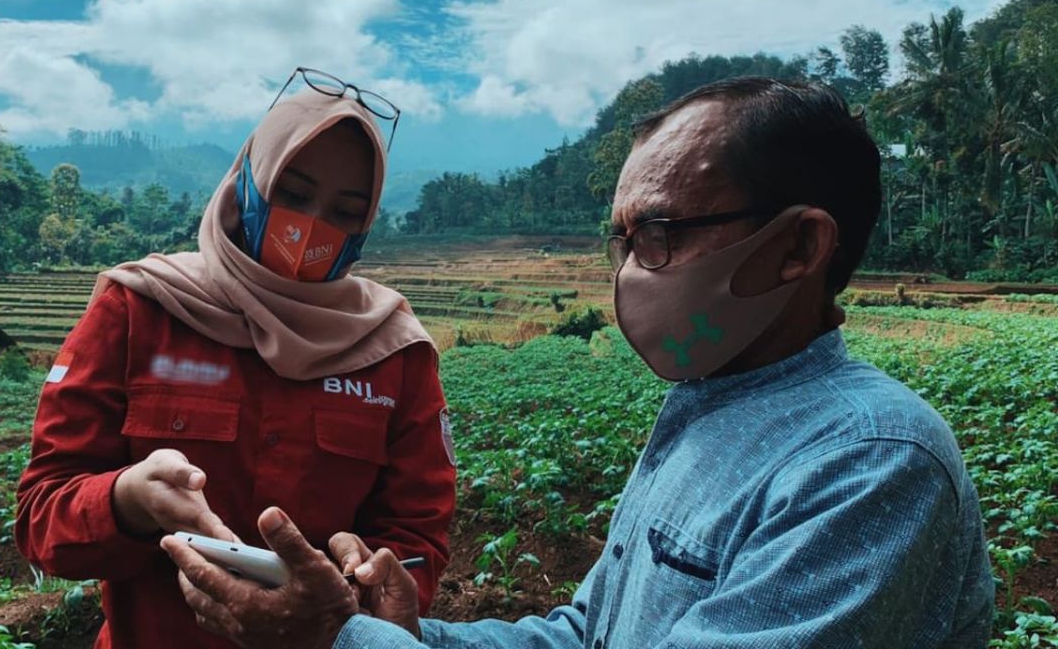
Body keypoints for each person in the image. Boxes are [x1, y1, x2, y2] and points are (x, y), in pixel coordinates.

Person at [160, 77, 995, 649]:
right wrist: (405, 629)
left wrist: (332, 637)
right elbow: (584, 635)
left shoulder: (869, 463)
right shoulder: (710, 410)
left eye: (660, 235)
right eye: (623, 241)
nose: (628, 273)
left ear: (798, 248)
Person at [15, 72, 457, 649]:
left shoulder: (393, 352)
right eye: (293, 196)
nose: (311, 228)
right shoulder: (141, 308)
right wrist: (127, 500)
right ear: (248, 181)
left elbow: (417, 536)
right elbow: (42, 514)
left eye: (344, 211)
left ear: (366, 227)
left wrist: (368, 580)